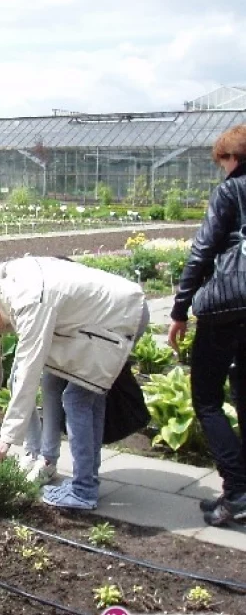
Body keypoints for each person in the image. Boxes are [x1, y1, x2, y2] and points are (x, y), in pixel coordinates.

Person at [0, 257, 148, 510]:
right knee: (56, 383)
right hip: (81, 324)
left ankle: (84, 490)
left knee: (77, 398)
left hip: (120, 316)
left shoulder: (28, 301)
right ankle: (60, 469)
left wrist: (6, 439)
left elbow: (28, 370)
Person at [169, 123, 246, 527]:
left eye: (223, 162)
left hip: (231, 304)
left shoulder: (231, 189)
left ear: (232, 157)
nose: (222, 169)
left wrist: (180, 309)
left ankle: (236, 491)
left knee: (207, 398)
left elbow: (204, 249)